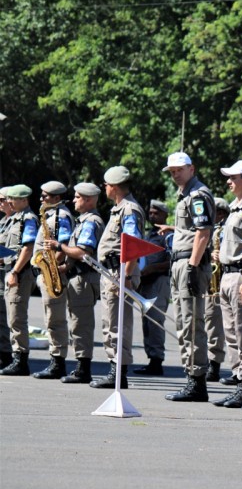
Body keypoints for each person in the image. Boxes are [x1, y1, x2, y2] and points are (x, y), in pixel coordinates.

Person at [162, 151, 215, 402]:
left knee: (192, 324)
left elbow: (203, 232)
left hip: (190, 263)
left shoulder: (197, 195)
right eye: (172, 171)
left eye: (179, 170)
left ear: (191, 169)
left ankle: (197, 381)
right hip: (180, 263)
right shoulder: (184, 195)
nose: (175, 174)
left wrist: (193, 266)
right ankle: (191, 377)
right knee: (183, 323)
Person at [210, 160, 242, 408]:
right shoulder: (233, 207)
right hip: (227, 275)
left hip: (241, 275)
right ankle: (238, 379)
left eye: (233, 177)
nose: (229, 181)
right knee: (230, 333)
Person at [45, 182, 104, 383]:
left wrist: (59, 245)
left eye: (78, 197)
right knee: (76, 323)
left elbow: (83, 251)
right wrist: (61, 269)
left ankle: (83, 369)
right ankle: (81, 366)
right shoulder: (83, 221)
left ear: (88, 200)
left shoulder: (90, 222)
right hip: (76, 277)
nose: (74, 200)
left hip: (84, 279)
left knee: (81, 324)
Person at [92, 166, 145, 389]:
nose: (105, 188)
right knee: (110, 322)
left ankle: (118, 373)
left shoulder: (129, 210)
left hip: (120, 273)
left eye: (105, 185)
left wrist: (127, 276)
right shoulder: (119, 209)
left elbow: (133, 246)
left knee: (118, 323)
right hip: (112, 272)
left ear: (113, 186)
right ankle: (115, 369)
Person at [31, 181, 75, 380]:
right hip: (48, 272)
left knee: (55, 320)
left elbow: (62, 245)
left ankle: (58, 362)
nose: (41, 199)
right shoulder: (51, 215)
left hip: (54, 274)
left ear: (56, 198)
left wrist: (52, 269)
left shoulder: (61, 216)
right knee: (51, 318)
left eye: (45, 196)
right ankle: (55, 360)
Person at [0, 185, 38, 376]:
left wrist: (14, 271)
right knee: (12, 318)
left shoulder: (28, 219)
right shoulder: (15, 218)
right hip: (12, 271)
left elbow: (28, 248)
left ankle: (20, 361)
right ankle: (17, 359)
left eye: (13, 199)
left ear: (24, 200)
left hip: (20, 274)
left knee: (17, 319)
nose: (9, 202)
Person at [133, 200, 172, 376]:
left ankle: (157, 361)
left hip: (159, 281)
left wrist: (153, 268)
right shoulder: (149, 234)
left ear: (165, 215)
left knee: (155, 321)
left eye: (157, 213)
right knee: (147, 322)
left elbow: (172, 260)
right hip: (146, 282)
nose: (152, 216)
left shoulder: (168, 235)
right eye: (150, 212)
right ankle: (152, 359)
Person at [205, 197, 230, 382]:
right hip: (209, 281)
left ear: (220, 213)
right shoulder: (211, 230)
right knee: (208, 324)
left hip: (223, 281)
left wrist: (220, 255)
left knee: (217, 327)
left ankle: (214, 364)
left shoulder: (223, 229)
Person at [0, 187, 14, 366]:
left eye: (2, 199)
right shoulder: (4, 221)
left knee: (7, 316)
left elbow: (21, 249)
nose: (0, 203)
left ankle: (7, 355)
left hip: (9, 273)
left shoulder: (22, 221)